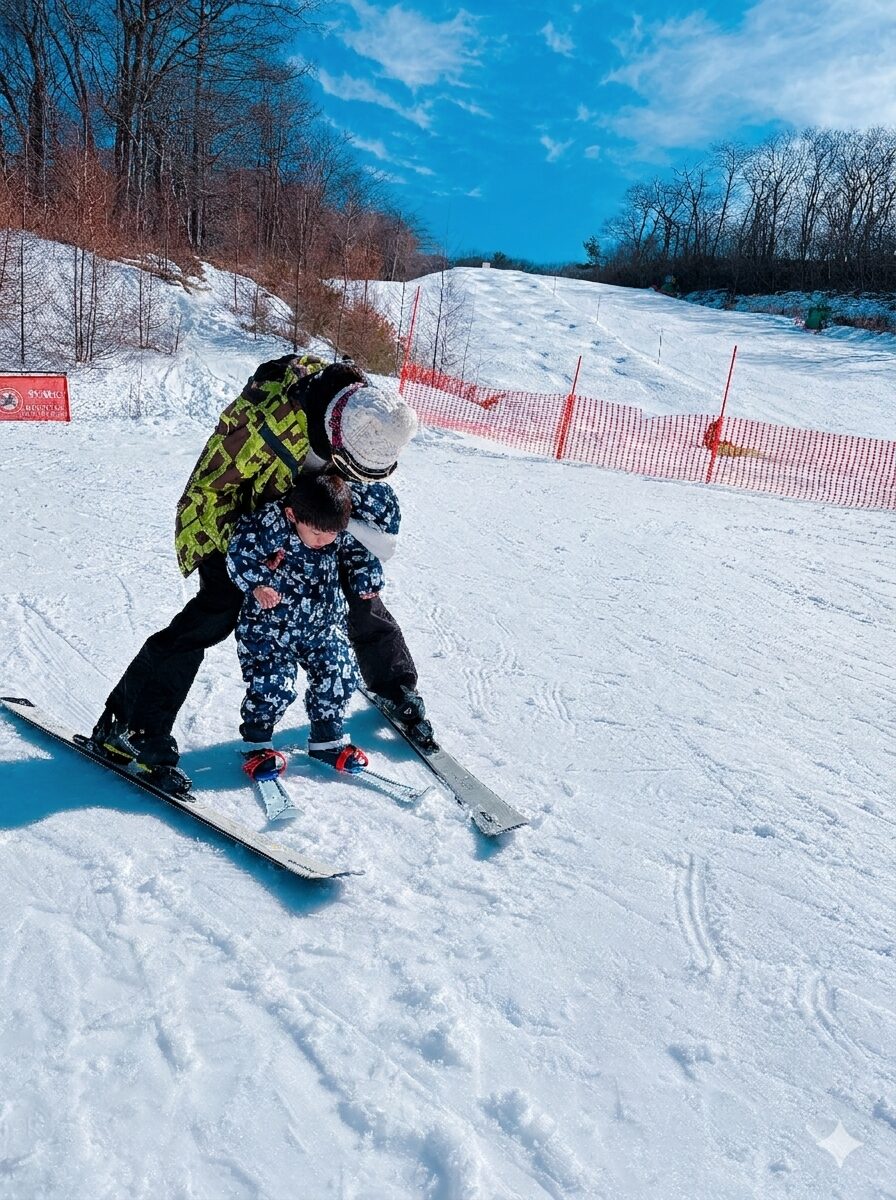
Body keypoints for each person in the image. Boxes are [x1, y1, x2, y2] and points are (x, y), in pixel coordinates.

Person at [91, 355, 435, 775]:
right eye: (352, 467)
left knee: (360, 589)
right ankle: (130, 724)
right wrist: (252, 557)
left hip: (309, 518)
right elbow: (213, 490)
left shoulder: (371, 414)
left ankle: (394, 686)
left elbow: (362, 492)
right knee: (216, 611)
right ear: (336, 436)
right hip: (235, 521)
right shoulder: (268, 419)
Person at [227, 473, 381, 777]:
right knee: (273, 685)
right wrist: (257, 585)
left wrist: (367, 578)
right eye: (316, 533)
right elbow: (240, 553)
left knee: (339, 674)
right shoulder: (273, 525)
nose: (324, 540)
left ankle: (327, 740)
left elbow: (361, 554)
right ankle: (257, 743)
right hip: (271, 630)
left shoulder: (332, 527)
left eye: (331, 534)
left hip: (322, 628)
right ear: (292, 515)